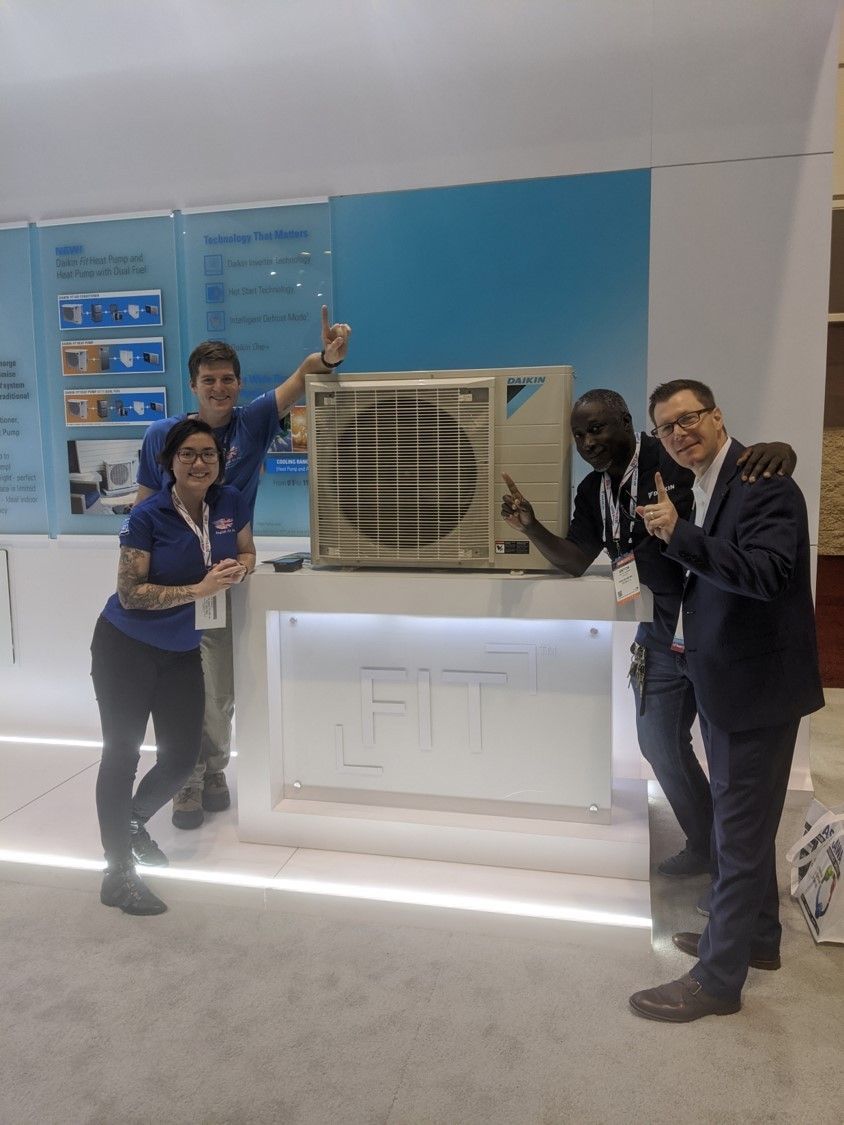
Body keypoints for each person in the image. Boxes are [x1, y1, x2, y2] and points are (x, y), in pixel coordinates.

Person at [501, 389, 795, 877]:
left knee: (734, 770)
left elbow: (733, 476)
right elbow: (576, 559)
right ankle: (706, 847)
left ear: (626, 422)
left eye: (596, 428)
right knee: (658, 743)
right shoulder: (593, 489)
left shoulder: (672, 457)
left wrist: (782, 451)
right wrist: (530, 527)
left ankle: (736, 873)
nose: (588, 442)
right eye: (579, 435)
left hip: (715, 629)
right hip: (660, 633)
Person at [628, 379, 823, 1022]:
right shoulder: (700, 483)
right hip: (724, 681)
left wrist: (681, 536)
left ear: (716, 416)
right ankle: (757, 939)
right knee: (745, 824)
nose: (679, 433)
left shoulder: (763, 480)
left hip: (754, 690)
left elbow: (766, 575)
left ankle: (717, 981)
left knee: (737, 834)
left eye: (688, 419)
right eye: (666, 427)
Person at [134, 307, 351, 828]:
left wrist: (328, 356)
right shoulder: (161, 436)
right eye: (208, 380)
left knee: (219, 688)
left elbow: (303, 377)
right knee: (179, 687)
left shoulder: (252, 423)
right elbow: (142, 510)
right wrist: (145, 578)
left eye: (227, 379)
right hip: (173, 586)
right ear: (193, 385)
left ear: (238, 384)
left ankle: (212, 771)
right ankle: (183, 780)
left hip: (222, 582)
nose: (219, 387)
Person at [92, 419, 256, 915]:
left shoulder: (230, 503)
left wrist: (240, 568)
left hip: (183, 649)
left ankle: (134, 821)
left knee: (183, 759)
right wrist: (199, 590)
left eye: (208, 453)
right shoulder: (147, 515)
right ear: (169, 462)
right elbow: (131, 593)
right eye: (187, 453)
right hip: (127, 646)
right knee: (121, 754)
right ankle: (117, 873)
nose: (199, 462)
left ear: (220, 461)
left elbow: (246, 549)